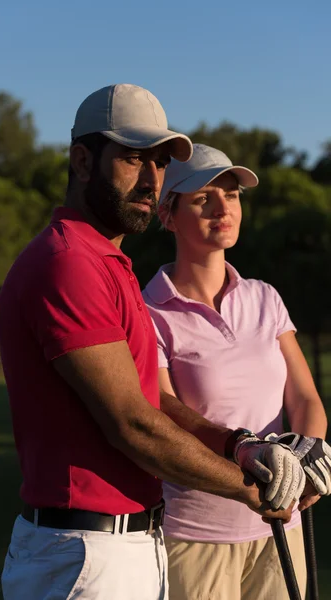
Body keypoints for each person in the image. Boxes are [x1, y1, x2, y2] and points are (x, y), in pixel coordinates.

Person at [0, 87, 304, 600]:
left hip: (124, 545)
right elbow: (132, 424)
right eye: (134, 158)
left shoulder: (107, 263)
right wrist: (252, 489)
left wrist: (239, 446)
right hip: (84, 552)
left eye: (160, 163)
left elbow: (152, 401)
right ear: (82, 160)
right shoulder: (68, 263)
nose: (151, 180)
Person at [143, 143, 331, 600]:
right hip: (194, 534)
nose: (223, 207)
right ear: (168, 215)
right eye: (203, 196)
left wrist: (310, 454)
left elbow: (304, 398)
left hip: (279, 528)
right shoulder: (148, 311)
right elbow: (162, 411)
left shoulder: (265, 297)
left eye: (232, 194)